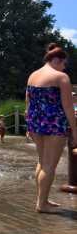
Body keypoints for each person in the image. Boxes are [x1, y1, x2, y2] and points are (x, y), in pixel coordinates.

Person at [26, 43, 77, 213]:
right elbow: (69, 107)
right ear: (57, 60)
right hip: (55, 124)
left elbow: (29, 102)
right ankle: (42, 204)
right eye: (64, 64)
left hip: (36, 123)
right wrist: (75, 130)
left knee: (42, 162)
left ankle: (43, 199)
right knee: (49, 165)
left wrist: (29, 124)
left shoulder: (32, 75)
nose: (64, 67)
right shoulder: (61, 78)